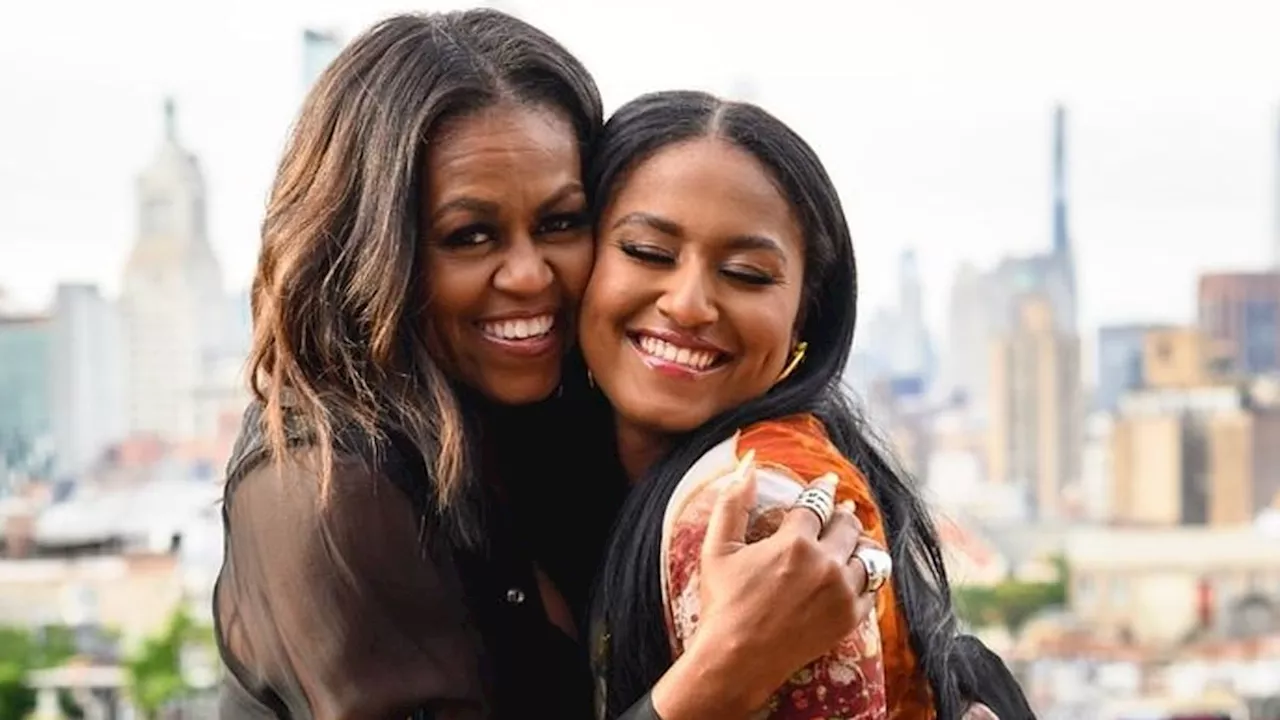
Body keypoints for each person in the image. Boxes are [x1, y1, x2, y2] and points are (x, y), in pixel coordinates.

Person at [215, 11, 881, 720]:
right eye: (469, 236)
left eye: (561, 223)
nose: (532, 276)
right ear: (375, 253)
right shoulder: (324, 489)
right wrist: (724, 670)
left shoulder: (580, 419)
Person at [580, 91, 1034, 719]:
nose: (687, 304)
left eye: (745, 273)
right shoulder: (562, 476)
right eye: (649, 253)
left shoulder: (762, 514)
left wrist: (725, 667)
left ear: (804, 319)